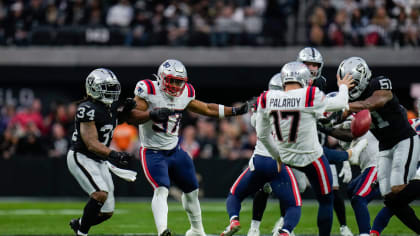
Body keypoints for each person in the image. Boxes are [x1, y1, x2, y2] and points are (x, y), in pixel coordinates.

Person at [129, 59, 249, 236]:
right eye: (172, 80)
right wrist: (151, 114)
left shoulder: (185, 93)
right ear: (161, 78)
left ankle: (197, 231)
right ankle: (163, 231)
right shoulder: (149, 90)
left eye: (179, 82)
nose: (176, 86)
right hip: (153, 152)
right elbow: (131, 116)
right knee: (161, 188)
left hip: (175, 151)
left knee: (192, 191)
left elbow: (207, 108)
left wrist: (233, 111)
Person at [249, 47, 355, 236]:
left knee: (289, 198)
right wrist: (344, 85)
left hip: (286, 155)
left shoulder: (268, 97)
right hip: (311, 156)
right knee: (325, 200)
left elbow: (263, 135)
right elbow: (340, 102)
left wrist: (277, 156)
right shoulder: (310, 94)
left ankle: (278, 228)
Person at [337, 57, 420, 234]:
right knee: (391, 199)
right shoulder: (354, 103)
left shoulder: (378, 84)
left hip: (404, 139)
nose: (349, 88)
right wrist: (327, 127)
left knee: (397, 189)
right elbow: (351, 133)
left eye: (352, 83)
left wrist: (345, 106)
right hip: (386, 147)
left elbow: (374, 103)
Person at [221, 73, 302, 236]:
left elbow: (254, 123)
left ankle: (234, 220)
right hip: (278, 162)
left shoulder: (262, 107)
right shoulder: (297, 110)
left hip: (258, 160)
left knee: (235, 194)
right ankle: (285, 231)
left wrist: (256, 106)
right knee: (294, 205)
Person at [67, 68, 136, 236]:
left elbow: (111, 122)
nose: (111, 92)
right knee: (99, 194)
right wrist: (114, 154)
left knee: (106, 212)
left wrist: (124, 111)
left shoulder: (109, 108)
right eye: (106, 88)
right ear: (93, 87)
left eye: (112, 88)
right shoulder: (87, 108)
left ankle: (80, 225)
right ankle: (82, 234)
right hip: (82, 156)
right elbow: (91, 143)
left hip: (99, 160)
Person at [319, 115, 380, 236]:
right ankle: (371, 230)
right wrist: (346, 164)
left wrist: (324, 128)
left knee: (359, 198)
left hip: (377, 165)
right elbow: (350, 150)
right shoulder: (341, 128)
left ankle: (365, 233)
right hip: (368, 167)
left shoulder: (356, 120)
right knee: (351, 190)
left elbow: (350, 134)